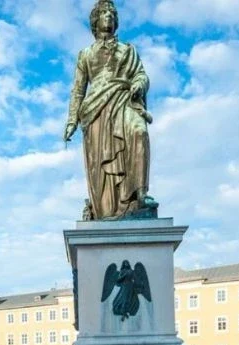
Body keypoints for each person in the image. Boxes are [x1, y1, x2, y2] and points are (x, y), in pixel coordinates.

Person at [64, 0, 157, 220]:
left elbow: (141, 75)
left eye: (112, 14)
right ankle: (106, 208)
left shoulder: (128, 50)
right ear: (95, 21)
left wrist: (139, 84)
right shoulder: (85, 54)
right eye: (104, 13)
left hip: (124, 99)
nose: (109, 16)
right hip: (95, 110)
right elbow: (78, 89)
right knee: (101, 165)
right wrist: (72, 120)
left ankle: (140, 194)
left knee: (139, 132)